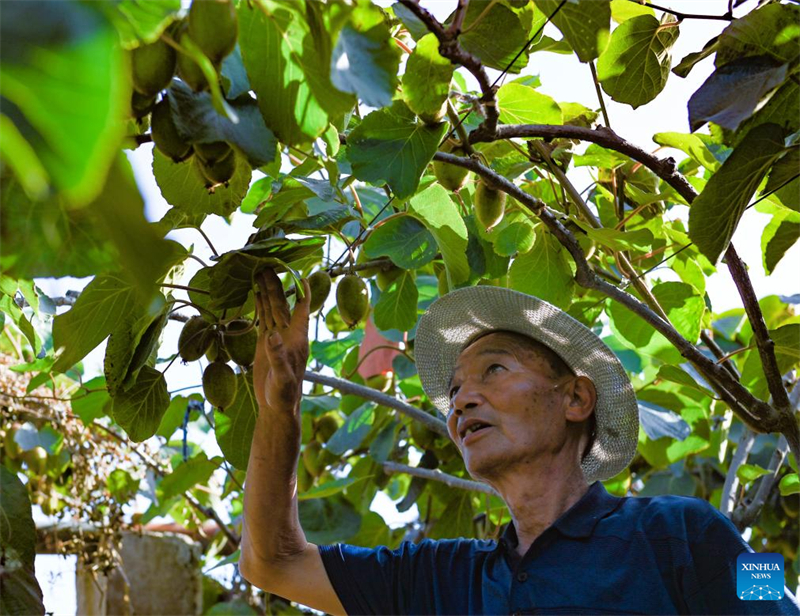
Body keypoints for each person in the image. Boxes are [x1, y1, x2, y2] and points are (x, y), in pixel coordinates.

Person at [239, 269, 800, 615]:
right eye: (455, 388)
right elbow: (273, 562)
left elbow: (776, 603)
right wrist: (280, 409)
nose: (461, 400)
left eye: (495, 370)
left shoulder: (690, 532)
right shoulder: (440, 579)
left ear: (576, 400)